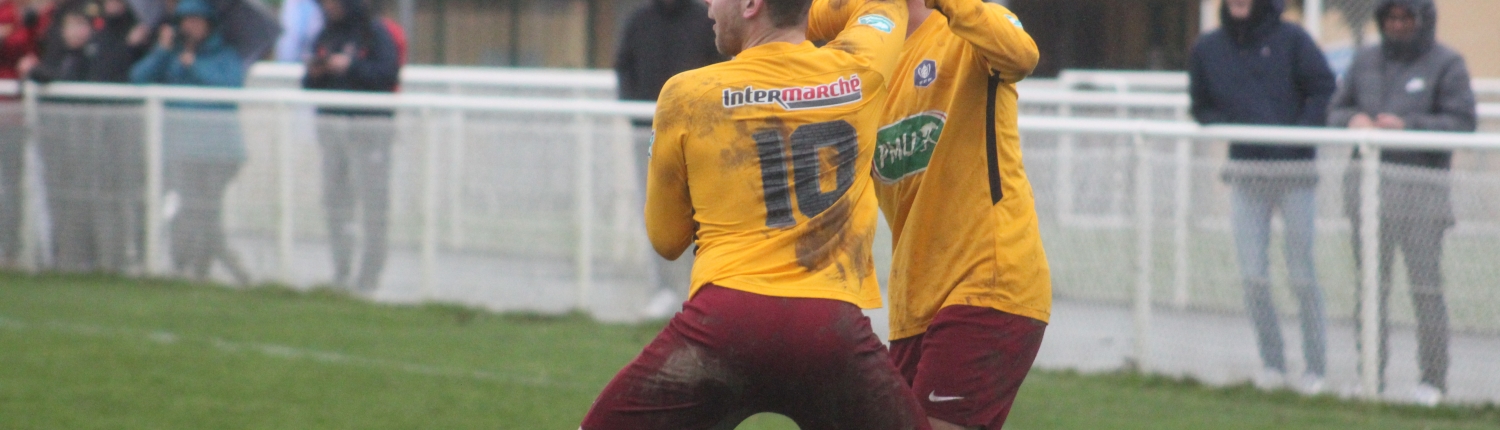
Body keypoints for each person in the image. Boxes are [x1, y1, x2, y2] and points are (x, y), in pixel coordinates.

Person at [581, 0, 928, 428]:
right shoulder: (861, 67)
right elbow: (884, 5)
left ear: (750, 5)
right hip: (830, 330)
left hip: (724, 324)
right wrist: (799, 11)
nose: (709, 5)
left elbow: (666, 240)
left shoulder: (687, 95)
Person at [817, 0, 1048, 428]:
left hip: (987, 284)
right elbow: (780, 18)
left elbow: (1023, 55)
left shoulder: (970, 30)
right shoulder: (866, 46)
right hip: (914, 303)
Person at [1328, 0, 1474, 406]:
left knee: (1425, 289)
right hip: (1368, 192)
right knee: (1370, 289)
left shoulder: (1447, 64)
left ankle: (1432, 380)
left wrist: (1408, 128)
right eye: (1391, 17)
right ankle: (1369, 375)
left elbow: (1461, 122)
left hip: (1422, 194)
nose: (1397, 24)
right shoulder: (1365, 60)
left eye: (1405, 18)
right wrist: (1353, 119)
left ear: (1421, 20)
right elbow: (1336, 108)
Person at [1188, 0, 1336, 393]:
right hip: (1246, 174)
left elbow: (1323, 88)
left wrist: (1296, 138)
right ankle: (1273, 364)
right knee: (1253, 275)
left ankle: (1315, 368)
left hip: (1295, 174)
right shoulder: (1209, 48)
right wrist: (1238, 128)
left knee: (1302, 273)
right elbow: (1202, 106)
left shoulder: (1293, 39)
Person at [612, 0, 723, 317]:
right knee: (657, 211)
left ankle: (701, 287)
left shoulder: (706, 20)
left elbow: (721, 69)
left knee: (704, 211)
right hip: (649, 136)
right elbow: (623, 68)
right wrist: (638, 118)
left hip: (702, 136)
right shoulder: (639, 21)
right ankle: (663, 290)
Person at [130, 0, 252, 285]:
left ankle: (198, 266)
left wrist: (195, 65)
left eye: (197, 21)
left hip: (219, 151)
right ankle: (202, 266)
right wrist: (162, 51)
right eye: (186, 21)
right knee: (194, 210)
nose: (191, 27)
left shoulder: (224, 54)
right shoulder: (171, 54)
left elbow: (231, 86)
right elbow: (139, 78)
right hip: (181, 148)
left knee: (203, 210)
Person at [303, 0, 400, 293]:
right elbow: (308, 84)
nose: (328, 6)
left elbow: (388, 75)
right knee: (335, 203)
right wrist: (316, 74)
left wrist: (351, 66)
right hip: (333, 132)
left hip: (369, 132)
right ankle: (341, 270)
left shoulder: (374, 33)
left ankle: (369, 275)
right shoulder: (327, 33)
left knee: (373, 205)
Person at [0, 0, 39, 267]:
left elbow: (33, 49)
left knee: (18, 184)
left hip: (16, 115)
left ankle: (18, 248)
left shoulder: (29, 16)